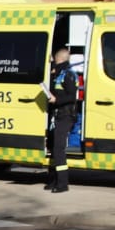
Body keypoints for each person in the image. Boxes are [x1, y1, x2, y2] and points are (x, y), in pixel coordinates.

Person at [44, 46, 80, 193]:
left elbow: (72, 96)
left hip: (65, 115)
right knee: (53, 147)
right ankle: (53, 180)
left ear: (58, 59)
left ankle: (63, 183)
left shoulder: (69, 74)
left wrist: (56, 99)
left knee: (59, 149)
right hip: (57, 114)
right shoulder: (58, 72)